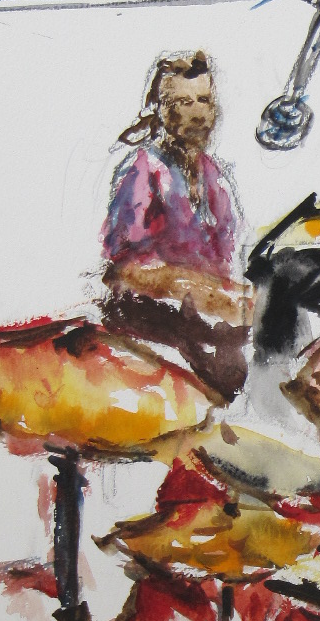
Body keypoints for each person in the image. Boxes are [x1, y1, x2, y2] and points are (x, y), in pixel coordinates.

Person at [100, 52, 251, 400]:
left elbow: (227, 263)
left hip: (207, 324)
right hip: (151, 326)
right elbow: (128, 271)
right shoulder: (143, 170)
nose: (198, 113)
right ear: (162, 110)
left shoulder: (215, 176)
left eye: (205, 100)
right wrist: (214, 297)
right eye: (184, 102)